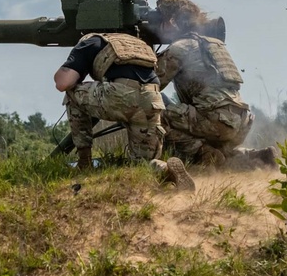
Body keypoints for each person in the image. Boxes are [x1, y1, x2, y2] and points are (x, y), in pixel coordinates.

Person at [54, 31, 195, 190]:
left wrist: (77, 64)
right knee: (142, 163)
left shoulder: (88, 42)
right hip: (152, 100)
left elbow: (63, 83)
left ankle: (84, 162)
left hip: (122, 96)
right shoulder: (136, 43)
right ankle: (165, 169)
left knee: (72, 94)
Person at [155, 0, 275, 169]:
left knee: (154, 111)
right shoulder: (213, 44)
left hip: (215, 120)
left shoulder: (178, 48)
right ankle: (258, 157)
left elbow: (151, 85)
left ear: (172, 22)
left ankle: (202, 154)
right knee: (220, 151)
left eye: (161, 20)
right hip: (241, 121)